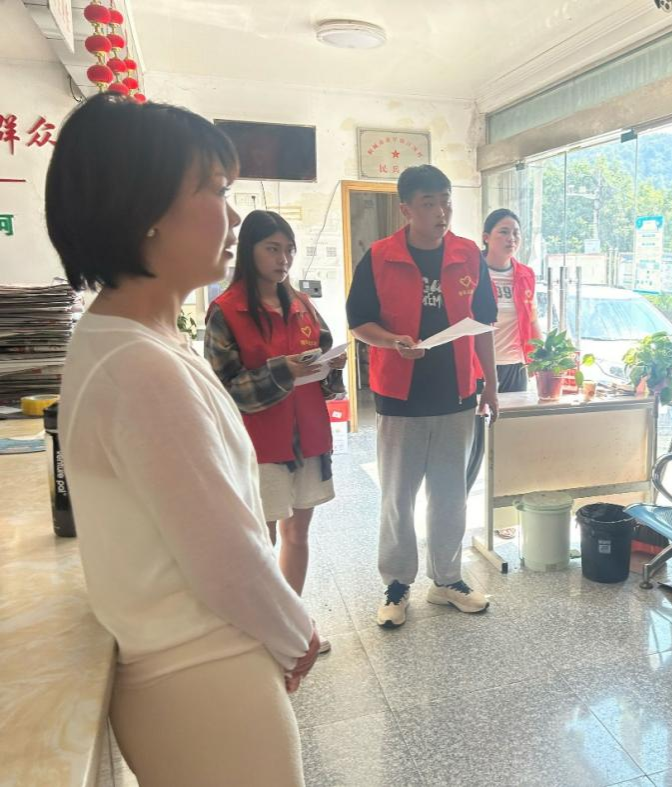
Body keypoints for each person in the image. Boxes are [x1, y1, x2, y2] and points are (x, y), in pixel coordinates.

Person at [47, 94, 318, 787]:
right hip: (206, 681)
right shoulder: (139, 366)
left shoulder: (135, 339)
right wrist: (298, 634)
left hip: (197, 677)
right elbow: (225, 556)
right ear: (146, 211)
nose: (234, 218)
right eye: (217, 190)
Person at [346, 165, 499, 628]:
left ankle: (447, 580)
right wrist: (392, 341)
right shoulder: (380, 257)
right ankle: (396, 584)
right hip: (400, 396)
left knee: (451, 495)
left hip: (456, 393)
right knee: (398, 496)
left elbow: (484, 325)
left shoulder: (468, 255)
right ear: (406, 209)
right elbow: (359, 322)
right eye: (429, 203)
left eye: (445, 201)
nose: (440, 212)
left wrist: (490, 386)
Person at [205, 210, 347, 655]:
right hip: (259, 443)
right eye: (272, 248)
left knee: (298, 534)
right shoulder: (227, 311)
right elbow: (223, 388)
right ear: (249, 250)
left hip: (309, 436)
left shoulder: (301, 304)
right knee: (260, 541)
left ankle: (292, 622)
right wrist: (280, 371)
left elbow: (322, 354)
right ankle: (261, 629)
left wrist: (332, 366)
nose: (283, 258)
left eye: (288, 250)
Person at [479, 208, 542, 393]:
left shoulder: (526, 274)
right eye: (504, 232)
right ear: (486, 237)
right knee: (480, 412)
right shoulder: (472, 272)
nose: (511, 238)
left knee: (516, 412)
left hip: (516, 365)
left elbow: (532, 320)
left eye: (516, 233)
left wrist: (540, 359)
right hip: (478, 366)